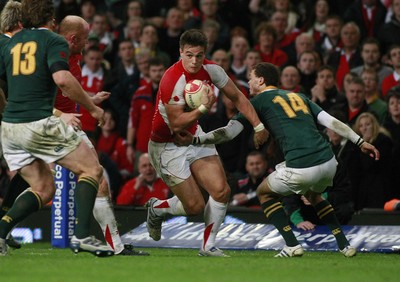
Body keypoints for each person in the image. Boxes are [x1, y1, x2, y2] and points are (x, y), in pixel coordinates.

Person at [175, 62, 380, 257]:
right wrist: (360, 141)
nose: (249, 83)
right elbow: (332, 121)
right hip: (328, 162)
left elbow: (229, 133)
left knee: (264, 193)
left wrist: (197, 139)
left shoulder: (257, 102)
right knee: (315, 196)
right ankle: (344, 245)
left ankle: (292, 245)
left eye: (251, 78)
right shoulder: (299, 96)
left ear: (261, 81)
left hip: (301, 165)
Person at [0, 0, 110, 257]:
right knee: (91, 169)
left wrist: (5, 110)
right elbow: (62, 79)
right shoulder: (54, 41)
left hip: (10, 128)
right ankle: (82, 235)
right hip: (39, 122)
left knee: (44, 187)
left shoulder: (11, 44)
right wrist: (92, 109)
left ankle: (1, 232)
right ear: (50, 18)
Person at [145, 29, 268, 257]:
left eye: (199, 55)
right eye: (189, 55)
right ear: (180, 52)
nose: (194, 61)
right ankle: (157, 208)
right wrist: (203, 107)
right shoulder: (172, 79)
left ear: (205, 54)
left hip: (194, 136)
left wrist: (258, 125)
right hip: (166, 145)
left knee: (221, 191)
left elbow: (238, 97)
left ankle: (208, 246)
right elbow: (176, 123)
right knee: (194, 207)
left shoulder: (212, 70)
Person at [56, 15, 148, 256]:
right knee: (85, 178)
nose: (87, 44)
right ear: (73, 38)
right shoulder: (55, 54)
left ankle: (112, 244)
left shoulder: (72, 56)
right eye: (85, 39)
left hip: (63, 124)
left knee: (45, 183)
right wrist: (87, 108)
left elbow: (68, 90)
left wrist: (89, 99)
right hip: (53, 125)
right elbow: (57, 87)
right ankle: (84, 237)